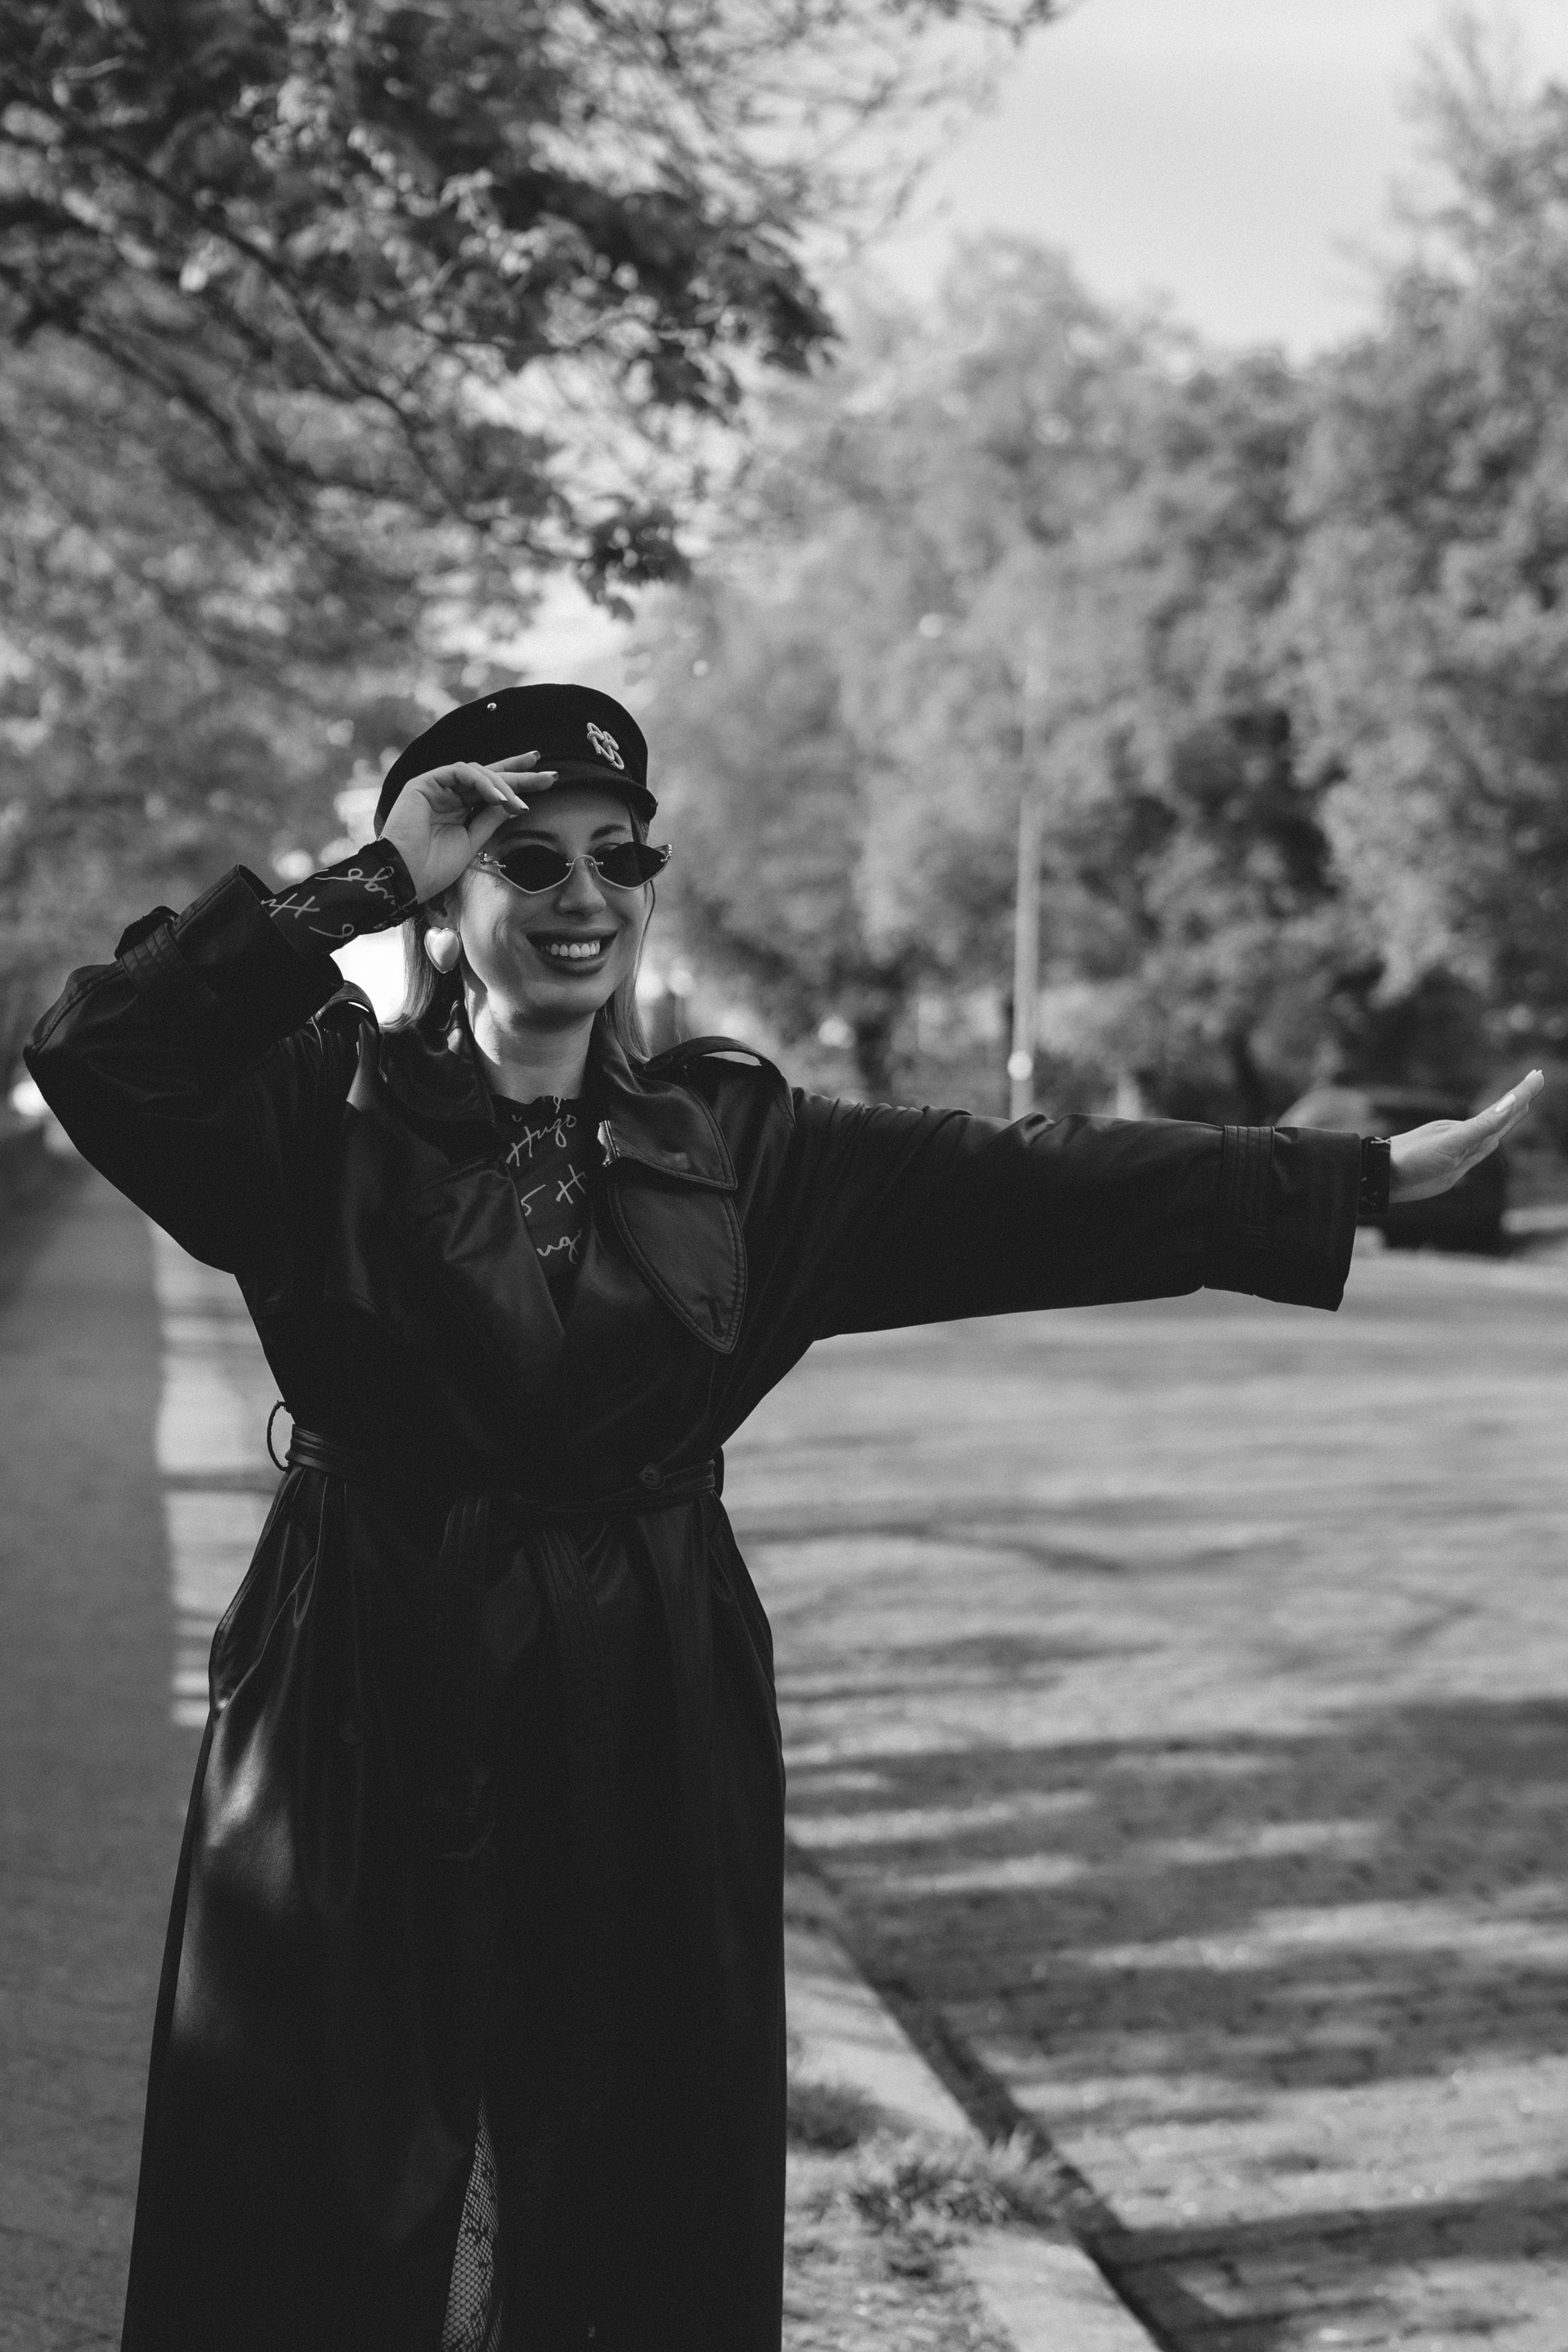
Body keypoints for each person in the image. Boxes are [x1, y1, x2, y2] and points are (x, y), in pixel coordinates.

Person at [24, 682, 1541, 2352]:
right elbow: (100, 1054)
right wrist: (362, 880)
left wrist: (1346, 1180)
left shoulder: (749, 1147)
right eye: (523, 860)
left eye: (619, 855)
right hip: (357, 1671)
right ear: (449, 897)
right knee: (317, 2164)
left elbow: (1040, 1183)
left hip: (644, 1687)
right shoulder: (312, 1112)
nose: (583, 894)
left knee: (630, 2174)